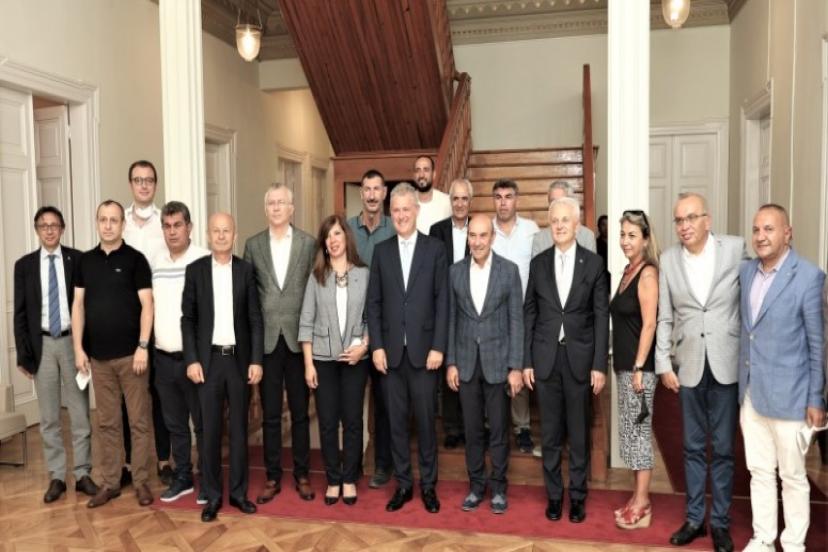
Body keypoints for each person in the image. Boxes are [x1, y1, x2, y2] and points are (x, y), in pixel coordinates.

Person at [656, 192, 746, 552]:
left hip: (727, 362)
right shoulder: (668, 260)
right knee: (692, 447)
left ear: (707, 220)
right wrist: (663, 363)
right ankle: (695, 519)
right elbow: (665, 316)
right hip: (689, 365)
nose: (685, 226)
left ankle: (720, 522)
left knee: (723, 448)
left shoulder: (735, 250)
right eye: (679, 220)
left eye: (691, 217)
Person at [738, 204, 825, 552]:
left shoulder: (809, 277)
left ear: (787, 233)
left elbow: (818, 345)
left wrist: (816, 398)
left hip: (792, 397)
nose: (761, 236)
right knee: (759, 471)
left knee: (792, 475)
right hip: (752, 393)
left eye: (769, 229)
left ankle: (793, 543)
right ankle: (763, 537)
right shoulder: (747, 272)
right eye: (756, 229)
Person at [523, 197, 609, 524]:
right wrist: (527, 361)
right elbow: (529, 312)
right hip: (545, 359)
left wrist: (599, 365)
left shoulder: (594, 264)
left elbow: (600, 316)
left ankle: (577, 497)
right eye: (554, 220)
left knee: (578, 433)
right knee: (549, 434)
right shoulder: (538, 264)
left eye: (565, 220)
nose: (559, 225)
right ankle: (554, 496)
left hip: (580, 361)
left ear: (576, 225)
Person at [367, 182, 448, 513]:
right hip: (390, 356)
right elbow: (374, 303)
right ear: (391, 213)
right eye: (396, 210)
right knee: (396, 424)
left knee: (426, 424)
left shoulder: (435, 249)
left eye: (406, 209)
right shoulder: (381, 251)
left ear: (416, 211)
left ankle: (428, 485)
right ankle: (403, 484)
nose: (401, 215)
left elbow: (443, 301)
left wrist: (439, 346)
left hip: (425, 354)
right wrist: (376, 346)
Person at [72, 200, 154, 508]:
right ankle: (110, 483)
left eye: (114, 220)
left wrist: (143, 346)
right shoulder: (85, 261)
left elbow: (148, 305)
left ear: (123, 224)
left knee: (138, 423)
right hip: (98, 359)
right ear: (97, 223)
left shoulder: (136, 260)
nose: (108, 225)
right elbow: (78, 306)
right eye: (103, 220)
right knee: (107, 424)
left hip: (132, 358)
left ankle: (142, 482)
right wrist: (78, 348)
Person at [182, 212, 264, 523]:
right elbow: (188, 319)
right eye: (215, 231)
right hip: (208, 362)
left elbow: (255, 319)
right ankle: (213, 495)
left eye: (226, 230)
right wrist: (192, 359)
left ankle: (239, 493)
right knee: (210, 432)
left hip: (238, 361)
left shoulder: (246, 271)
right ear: (208, 235)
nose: (220, 235)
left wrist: (256, 360)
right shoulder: (195, 271)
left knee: (240, 431)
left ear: (234, 235)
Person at [13, 206, 98, 503]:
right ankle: (57, 477)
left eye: (54, 225)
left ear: (63, 228)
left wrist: (86, 347)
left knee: (80, 413)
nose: (49, 230)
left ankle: (83, 473)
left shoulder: (79, 260)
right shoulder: (24, 266)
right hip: (43, 346)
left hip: (73, 342)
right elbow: (20, 314)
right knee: (49, 416)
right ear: (37, 230)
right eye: (43, 225)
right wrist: (24, 355)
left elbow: (87, 305)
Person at [446, 214, 524, 514]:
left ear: (492, 237)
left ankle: (499, 488)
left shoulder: (509, 271)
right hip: (466, 363)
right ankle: (477, 486)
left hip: (498, 363)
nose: (477, 242)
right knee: (472, 429)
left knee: (499, 431)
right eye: (473, 236)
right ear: (468, 238)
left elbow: (516, 321)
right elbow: (451, 320)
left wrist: (515, 366)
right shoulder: (455, 272)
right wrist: (451, 362)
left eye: (483, 236)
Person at [243, 183, 316, 503]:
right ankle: (273, 476)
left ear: (291, 208)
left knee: (300, 413)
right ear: (265, 209)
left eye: (281, 202)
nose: (275, 207)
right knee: (271, 415)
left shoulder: (308, 244)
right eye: (270, 203)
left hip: (300, 342)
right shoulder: (253, 245)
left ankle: (302, 474)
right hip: (268, 342)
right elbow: (248, 297)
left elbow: (315, 291)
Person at [299, 215, 370, 506]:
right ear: (324, 244)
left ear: (346, 237)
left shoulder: (363, 274)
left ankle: (349, 478)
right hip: (323, 359)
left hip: (355, 359)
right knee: (328, 422)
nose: (333, 240)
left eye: (338, 233)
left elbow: (373, 317)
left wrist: (364, 347)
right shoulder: (317, 276)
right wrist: (308, 364)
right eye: (328, 236)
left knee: (352, 421)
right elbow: (306, 321)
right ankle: (333, 479)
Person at [150, 201, 208, 503]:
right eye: (167, 226)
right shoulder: (155, 261)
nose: (172, 231)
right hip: (163, 358)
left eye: (177, 225)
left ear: (189, 227)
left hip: (194, 359)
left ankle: (207, 479)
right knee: (175, 425)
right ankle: (183, 476)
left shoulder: (203, 259)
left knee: (202, 423)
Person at [608, 210, 659, 529]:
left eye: (632, 235)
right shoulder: (629, 270)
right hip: (625, 368)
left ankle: (643, 504)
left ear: (645, 239)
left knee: (639, 435)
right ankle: (637, 496)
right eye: (622, 234)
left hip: (640, 370)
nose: (626, 241)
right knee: (630, 433)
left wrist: (639, 366)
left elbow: (650, 324)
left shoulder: (648, 274)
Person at [346, 169, 396, 488]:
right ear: (361, 193)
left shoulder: (395, 228)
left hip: (384, 329)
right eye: (367, 189)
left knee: (384, 403)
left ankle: (382, 464)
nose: (372, 195)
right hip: (351, 328)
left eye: (377, 189)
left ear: (385, 193)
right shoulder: (347, 229)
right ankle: (351, 465)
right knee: (351, 405)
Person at [122, 160, 171, 485]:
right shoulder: (119, 221)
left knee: (160, 392)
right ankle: (128, 463)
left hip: (158, 317)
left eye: (149, 180)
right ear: (131, 184)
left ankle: (164, 460)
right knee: (128, 397)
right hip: (125, 319)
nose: (143, 185)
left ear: (155, 184)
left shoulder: (164, 222)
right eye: (138, 180)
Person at [489, 179, 539, 454]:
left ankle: (522, 427)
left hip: (522, 311)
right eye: (498, 197)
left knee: (518, 365)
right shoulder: (486, 230)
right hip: (492, 314)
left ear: (516, 199)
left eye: (508, 196)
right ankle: (492, 424)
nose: (503, 202)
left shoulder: (531, 230)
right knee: (493, 369)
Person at [429, 177, 472, 449]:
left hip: (472, 308)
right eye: (455, 198)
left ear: (470, 201)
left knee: (470, 369)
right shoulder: (437, 230)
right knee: (449, 369)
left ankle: (471, 425)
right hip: (444, 306)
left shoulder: (480, 228)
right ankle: (452, 428)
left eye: (464, 198)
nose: (459, 203)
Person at [532, 181, 597, 257]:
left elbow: (591, 263)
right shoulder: (539, 239)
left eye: (562, 201)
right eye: (553, 201)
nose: (557, 205)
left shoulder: (587, 236)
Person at [413, 155, 451, 234]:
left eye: (426, 170)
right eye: (418, 170)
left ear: (433, 174)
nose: (421, 175)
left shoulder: (447, 202)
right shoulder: (406, 202)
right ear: (414, 175)